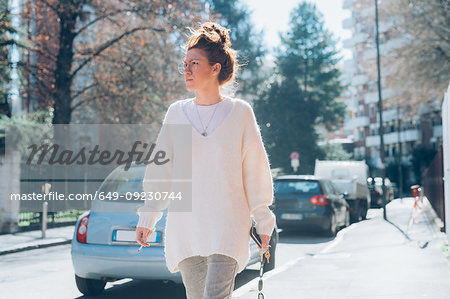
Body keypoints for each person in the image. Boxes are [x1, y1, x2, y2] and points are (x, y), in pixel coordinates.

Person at [135, 21, 275, 299]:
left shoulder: (240, 114)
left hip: (227, 226)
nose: (186, 69)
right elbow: (162, 171)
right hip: (186, 228)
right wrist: (148, 215)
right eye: (184, 64)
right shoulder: (176, 114)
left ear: (215, 68)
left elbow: (255, 172)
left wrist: (263, 221)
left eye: (194, 63)